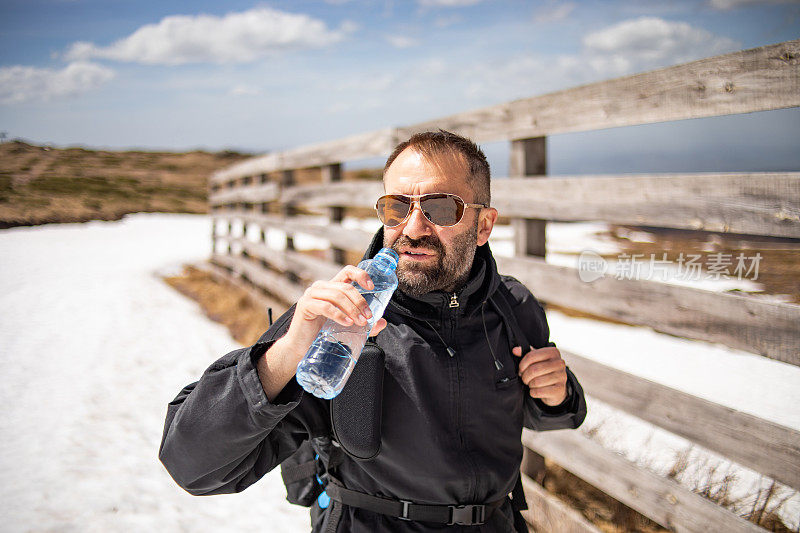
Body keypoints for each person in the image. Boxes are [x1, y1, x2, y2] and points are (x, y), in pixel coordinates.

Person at [159, 130, 587, 532]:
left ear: (483, 225)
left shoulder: (513, 306)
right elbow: (191, 464)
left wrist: (557, 398)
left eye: (440, 208)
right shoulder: (338, 323)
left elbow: (524, 410)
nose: (414, 228)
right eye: (397, 207)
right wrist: (287, 351)